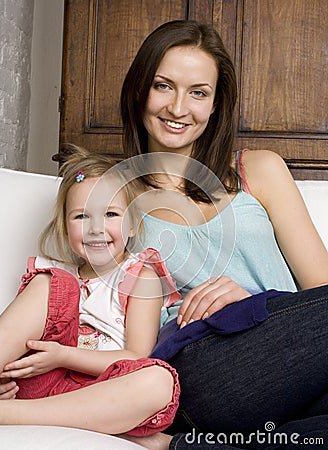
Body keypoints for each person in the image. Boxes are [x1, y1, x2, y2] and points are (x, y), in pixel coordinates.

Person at [118, 19, 328, 449]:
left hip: (295, 359)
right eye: (163, 85)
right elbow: (77, 301)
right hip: (199, 368)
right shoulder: (114, 196)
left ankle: (187, 447)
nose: (179, 108)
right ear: (139, 89)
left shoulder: (260, 169)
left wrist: (256, 303)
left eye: (198, 92)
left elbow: (321, 293)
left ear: (215, 105)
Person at [0, 146, 180, 437]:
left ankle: (6, 415)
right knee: (52, 282)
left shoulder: (140, 275)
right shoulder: (54, 278)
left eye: (111, 214)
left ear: (132, 226)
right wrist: (4, 378)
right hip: (43, 380)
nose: (95, 228)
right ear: (65, 229)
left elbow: (135, 357)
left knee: (159, 380)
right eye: (81, 217)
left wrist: (63, 356)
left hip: (100, 392)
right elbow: (21, 342)